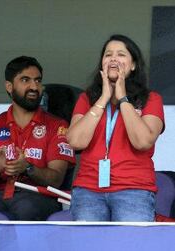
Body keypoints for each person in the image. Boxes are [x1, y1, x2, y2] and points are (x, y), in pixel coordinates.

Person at [66, 34, 165, 221]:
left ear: (133, 65)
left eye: (121, 54)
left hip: (134, 190)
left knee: (130, 246)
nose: (113, 58)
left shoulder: (151, 99)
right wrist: (103, 98)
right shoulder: (87, 99)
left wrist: (122, 98)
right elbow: (75, 142)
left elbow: (143, 141)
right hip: (89, 190)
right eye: (108, 54)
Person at [0, 56, 75, 220]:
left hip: (37, 196)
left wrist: (28, 167)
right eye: (25, 80)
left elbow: (57, 179)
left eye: (38, 81)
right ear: (9, 86)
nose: (34, 86)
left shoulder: (56, 126)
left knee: (26, 208)